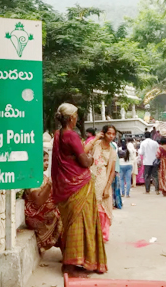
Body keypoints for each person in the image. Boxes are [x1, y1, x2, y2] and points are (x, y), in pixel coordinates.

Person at [51, 103, 107, 276]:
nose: (77, 119)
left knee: (70, 222)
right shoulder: (71, 135)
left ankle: (74, 260)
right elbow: (83, 160)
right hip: (78, 184)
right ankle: (72, 264)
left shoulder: (57, 134)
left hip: (64, 184)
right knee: (80, 222)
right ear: (71, 118)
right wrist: (90, 159)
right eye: (75, 116)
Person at [24, 150, 62, 254]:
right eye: (44, 160)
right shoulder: (32, 178)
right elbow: (38, 201)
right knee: (61, 215)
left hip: (44, 212)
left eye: (47, 160)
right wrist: (50, 184)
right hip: (35, 215)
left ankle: (68, 257)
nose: (47, 163)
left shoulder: (43, 177)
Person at [85, 125, 117, 243]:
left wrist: (107, 187)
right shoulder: (96, 144)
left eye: (113, 134)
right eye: (109, 133)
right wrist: (96, 138)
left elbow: (112, 170)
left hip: (102, 179)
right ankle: (91, 233)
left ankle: (102, 235)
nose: (111, 136)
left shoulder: (112, 151)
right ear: (104, 133)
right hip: (90, 178)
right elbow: (84, 150)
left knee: (102, 208)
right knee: (90, 206)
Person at [111, 139, 123, 209]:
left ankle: (113, 203)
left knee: (112, 188)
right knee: (116, 187)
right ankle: (116, 203)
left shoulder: (110, 146)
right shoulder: (113, 145)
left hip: (114, 169)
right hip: (116, 169)